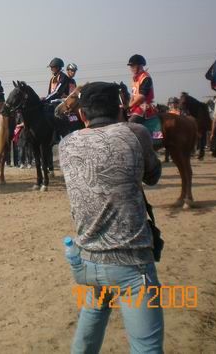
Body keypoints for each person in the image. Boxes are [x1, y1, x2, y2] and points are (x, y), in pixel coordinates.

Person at [59, 82, 163, 353]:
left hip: (85, 260)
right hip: (131, 262)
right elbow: (153, 177)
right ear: (119, 110)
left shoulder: (66, 144)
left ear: (82, 115)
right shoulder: (137, 132)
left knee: (92, 316)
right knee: (147, 347)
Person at [127, 54, 158, 124]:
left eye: (133, 66)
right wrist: (128, 106)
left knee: (130, 123)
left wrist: (130, 106)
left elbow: (141, 97)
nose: (131, 68)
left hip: (144, 107)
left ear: (140, 66)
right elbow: (133, 95)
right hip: (136, 107)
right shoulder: (135, 79)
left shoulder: (146, 78)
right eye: (130, 66)